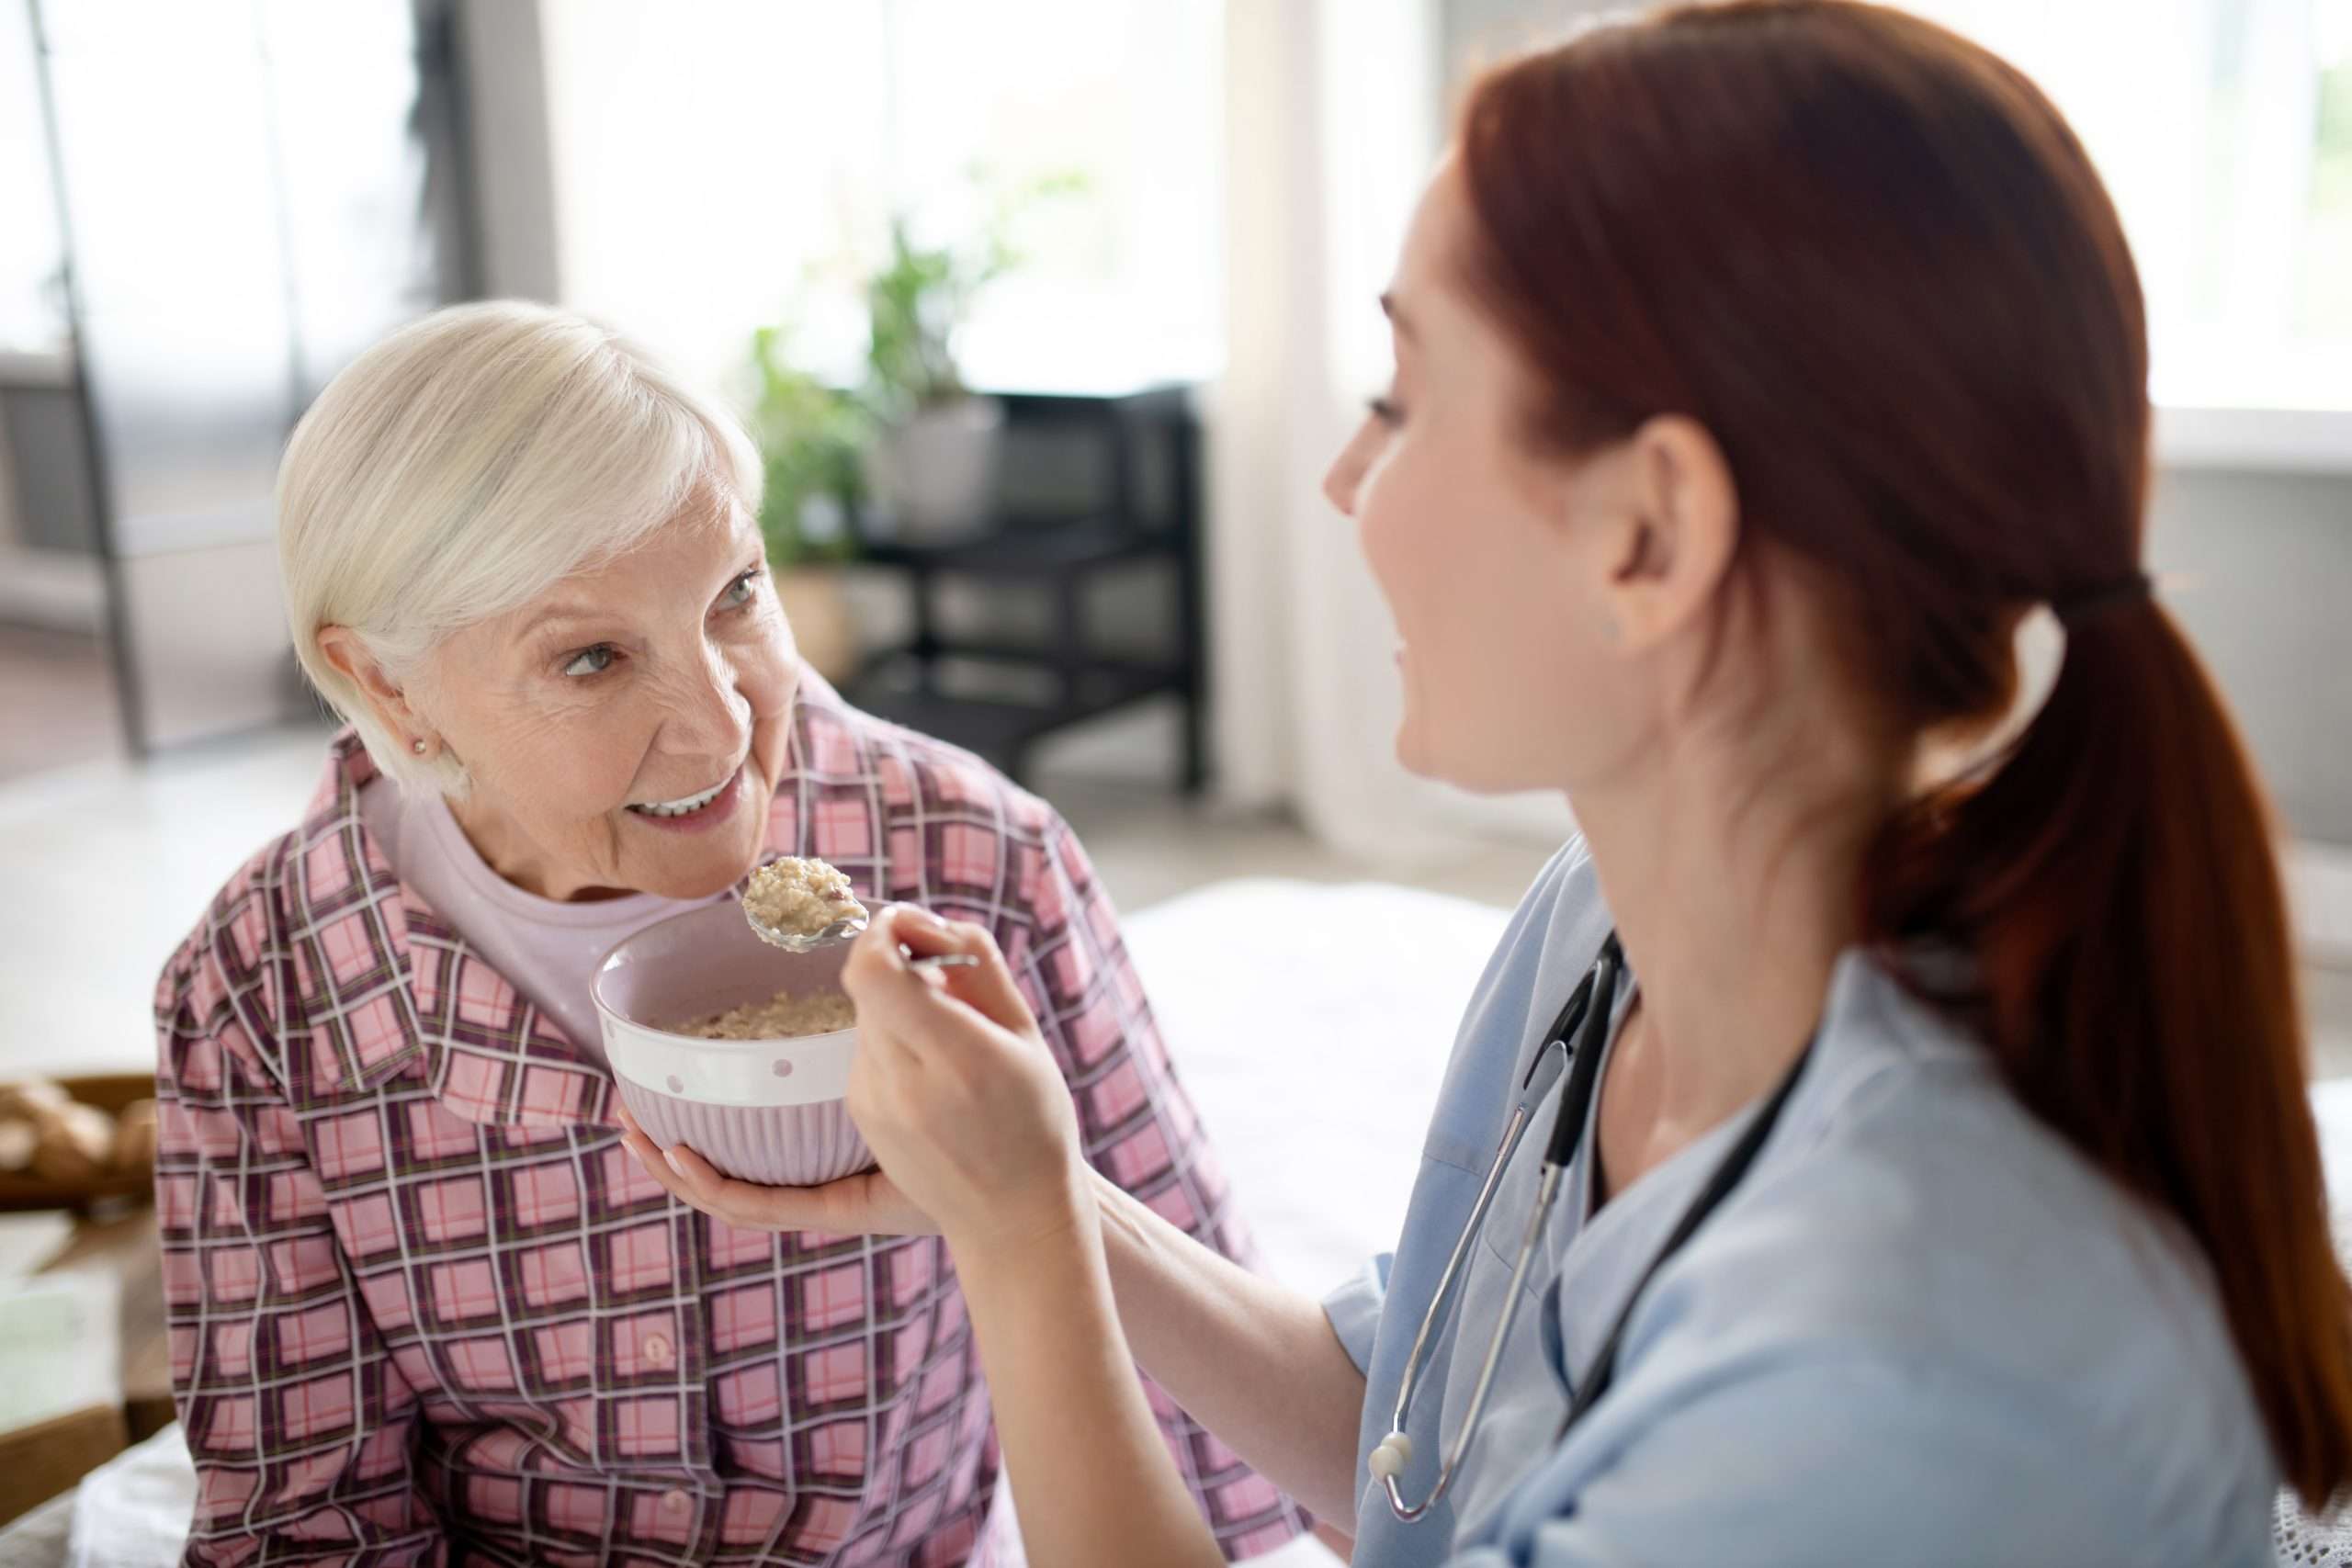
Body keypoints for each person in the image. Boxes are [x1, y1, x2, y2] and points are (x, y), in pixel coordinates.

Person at [623, 4, 2352, 1563]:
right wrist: (1030, 1188)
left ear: (1650, 532)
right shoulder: (1606, 926)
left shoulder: (1892, 1375)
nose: (1342, 476)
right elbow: (1409, 1454)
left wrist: (1017, 1263)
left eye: (1403, 395)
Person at [152, 301, 1307, 1565]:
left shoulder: (979, 862)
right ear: (387, 684)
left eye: (737, 594)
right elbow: (307, 1525)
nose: (719, 725)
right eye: (592, 659)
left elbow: (1226, 1417)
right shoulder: (260, 993)